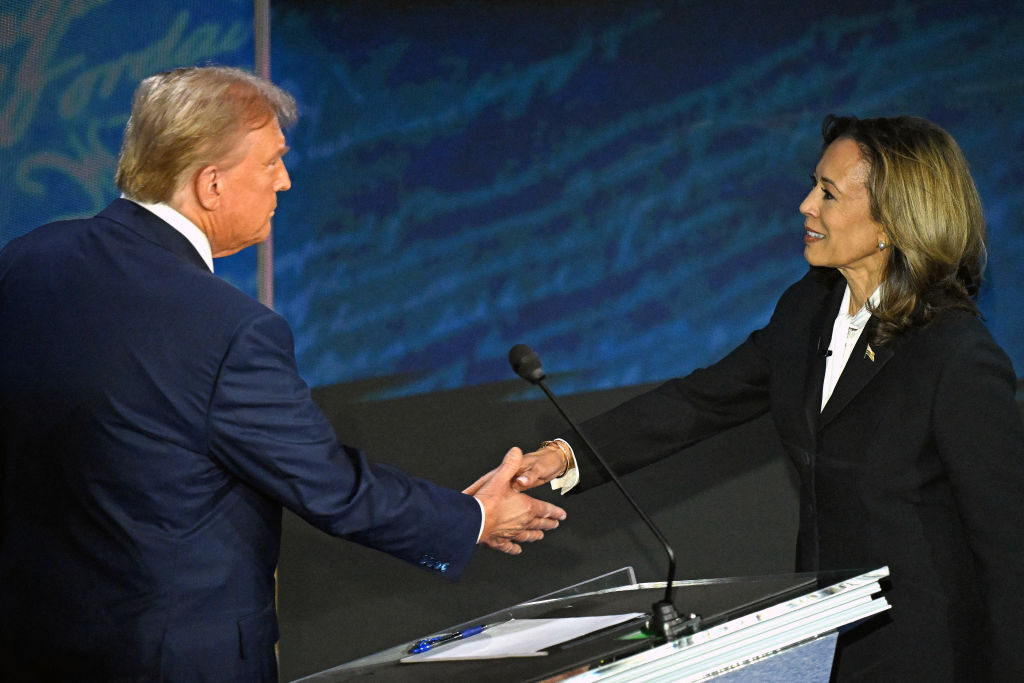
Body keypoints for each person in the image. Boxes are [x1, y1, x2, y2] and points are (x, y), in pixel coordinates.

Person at [0, 65, 565, 682]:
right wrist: (474, 518)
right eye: (270, 163)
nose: (286, 181)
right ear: (211, 184)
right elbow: (329, 485)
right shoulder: (227, 327)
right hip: (177, 661)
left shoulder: (28, 260)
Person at [511, 115, 1024, 680]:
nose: (806, 205)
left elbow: (1008, 550)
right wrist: (565, 455)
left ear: (892, 221)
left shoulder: (954, 354)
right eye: (814, 185)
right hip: (828, 642)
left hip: (929, 655)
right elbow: (701, 401)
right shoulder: (809, 308)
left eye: (828, 193)